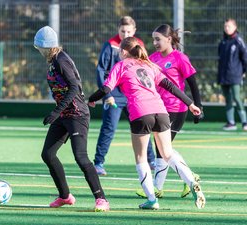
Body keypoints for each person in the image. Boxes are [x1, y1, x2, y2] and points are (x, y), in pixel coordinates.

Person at [88, 37, 206, 209]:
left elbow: (106, 89)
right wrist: (191, 104)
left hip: (140, 113)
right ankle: (191, 182)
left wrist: (91, 100)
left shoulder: (120, 66)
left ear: (123, 52)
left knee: (140, 157)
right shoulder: (150, 65)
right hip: (161, 111)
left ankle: (152, 200)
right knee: (167, 153)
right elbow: (171, 86)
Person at [33, 26, 110, 212]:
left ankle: (101, 199)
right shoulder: (52, 61)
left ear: (47, 47)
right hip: (64, 114)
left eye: (39, 48)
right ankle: (65, 196)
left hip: (77, 114)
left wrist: (56, 112)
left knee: (81, 157)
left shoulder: (61, 60)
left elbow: (74, 87)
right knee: (48, 155)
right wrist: (58, 113)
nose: (39, 51)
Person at [136, 24, 203, 199]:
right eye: (153, 39)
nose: (155, 42)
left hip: (177, 109)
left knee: (163, 148)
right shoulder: (152, 58)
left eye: (158, 39)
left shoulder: (180, 58)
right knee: (164, 148)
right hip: (159, 108)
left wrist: (199, 106)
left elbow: (193, 84)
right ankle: (188, 176)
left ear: (169, 39)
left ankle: (158, 187)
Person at [94, 16, 155, 176]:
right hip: (113, 96)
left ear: (134, 31)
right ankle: (99, 162)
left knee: (142, 128)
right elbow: (101, 70)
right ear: (118, 30)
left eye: (128, 31)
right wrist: (107, 95)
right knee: (109, 128)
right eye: (122, 31)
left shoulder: (138, 45)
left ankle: (152, 160)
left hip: (134, 97)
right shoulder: (111, 45)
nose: (125, 34)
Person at [217, 18, 247, 131]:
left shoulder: (238, 41)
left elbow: (245, 57)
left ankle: (244, 122)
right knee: (227, 99)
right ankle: (231, 123)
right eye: (225, 26)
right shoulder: (223, 42)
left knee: (237, 97)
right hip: (223, 76)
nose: (226, 28)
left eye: (229, 26)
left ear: (235, 27)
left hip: (235, 75)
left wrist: (243, 72)